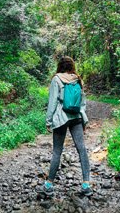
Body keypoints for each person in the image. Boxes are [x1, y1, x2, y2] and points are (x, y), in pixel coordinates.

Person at [37, 56, 92, 197]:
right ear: (72, 66)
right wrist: (83, 118)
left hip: (61, 118)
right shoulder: (77, 79)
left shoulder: (56, 79)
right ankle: (86, 183)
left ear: (59, 66)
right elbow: (83, 102)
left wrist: (48, 121)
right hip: (76, 116)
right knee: (82, 149)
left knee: (57, 151)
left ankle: (49, 185)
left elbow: (52, 102)